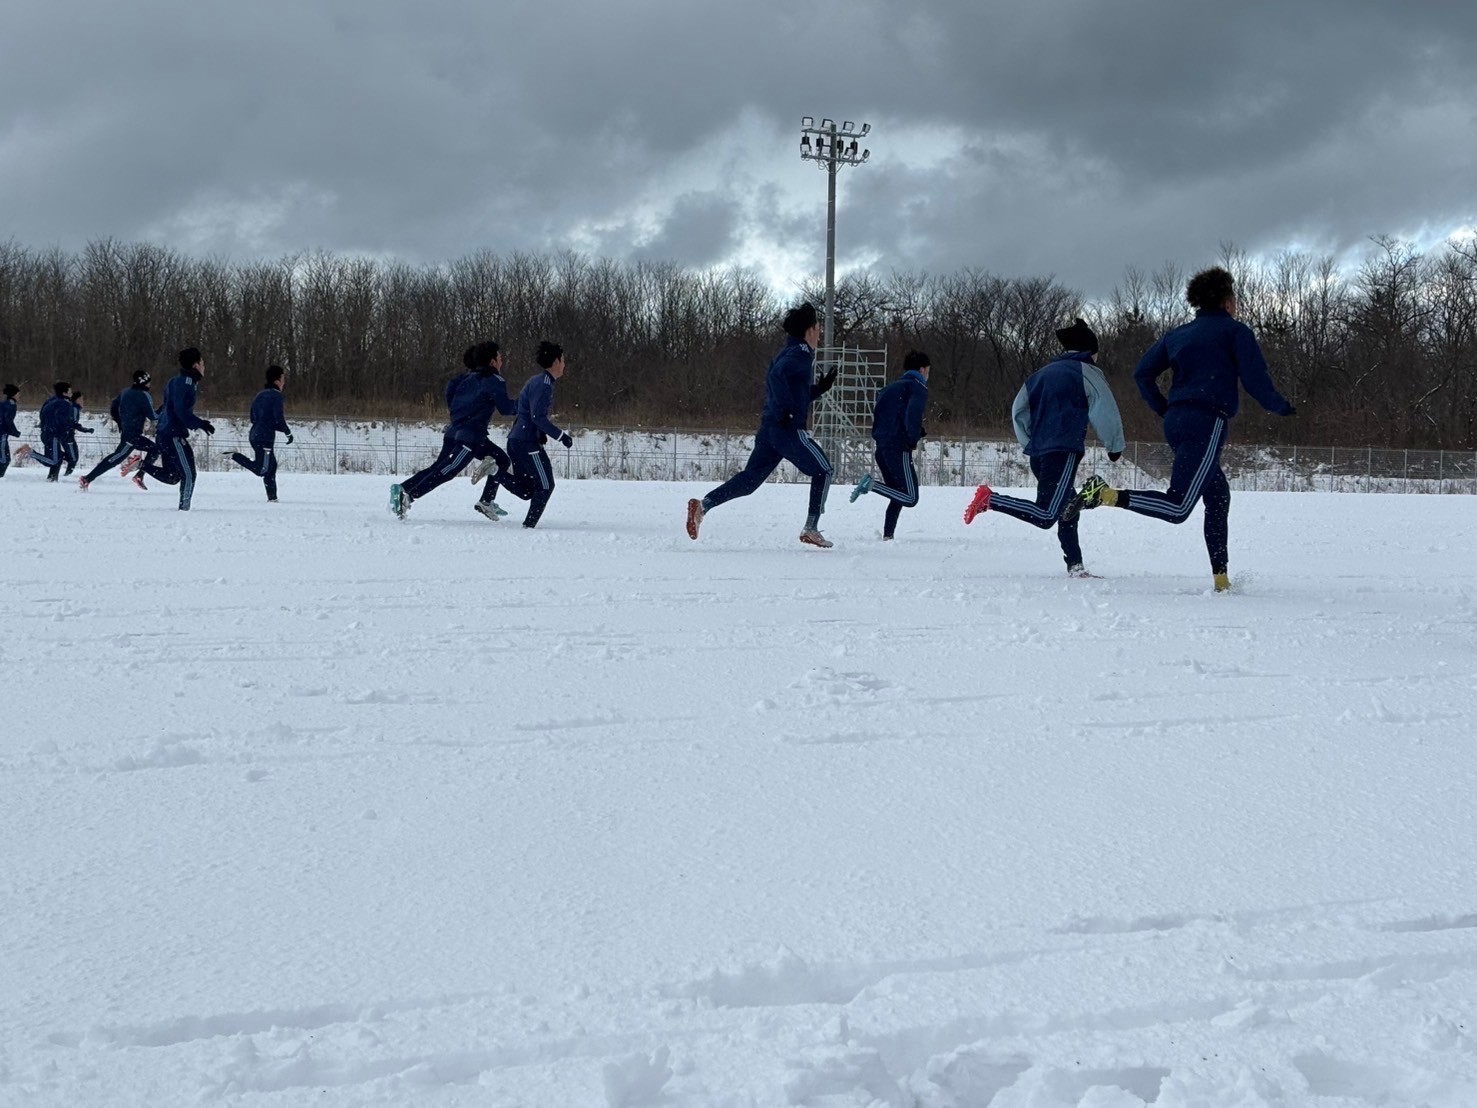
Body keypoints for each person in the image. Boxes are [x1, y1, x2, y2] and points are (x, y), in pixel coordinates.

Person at [1068, 267, 1295, 592]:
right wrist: (1281, 407)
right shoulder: (1234, 332)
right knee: (1178, 507)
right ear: (1226, 301)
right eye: (1234, 298)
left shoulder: (1178, 334)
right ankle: (1105, 495)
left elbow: (1142, 373)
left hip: (1176, 421)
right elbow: (1255, 380)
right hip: (1207, 420)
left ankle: (1221, 580)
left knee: (1217, 495)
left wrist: (1164, 408)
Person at [962, 318, 1125, 577]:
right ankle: (991, 499)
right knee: (1047, 515)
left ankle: (1076, 566)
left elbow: (1018, 410)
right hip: (1063, 450)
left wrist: (1031, 442)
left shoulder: (1039, 375)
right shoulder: (1087, 372)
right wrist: (1114, 445)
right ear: (1090, 350)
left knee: (1068, 507)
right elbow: (1104, 409)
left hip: (1039, 454)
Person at [685, 301, 838, 547]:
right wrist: (786, 412)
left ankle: (703, 506)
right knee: (825, 471)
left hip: (770, 430)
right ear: (809, 330)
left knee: (749, 481)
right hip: (788, 431)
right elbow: (778, 378)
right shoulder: (799, 354)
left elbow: (789, 391)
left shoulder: (787, 352)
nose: (820, 332)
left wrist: (819, 389)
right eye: (818, 327)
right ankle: (811, 528)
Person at [389, 341, 510, 519]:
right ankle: (408, 496)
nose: (502, 361)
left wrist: (459, 416)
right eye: (500, 358)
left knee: (500, 459)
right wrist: (525, 405)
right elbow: (505, 408)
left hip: (458, 432)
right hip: (469, 437)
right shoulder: (490, 381)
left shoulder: (462, 379)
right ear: (491, 361)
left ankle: (486, 500)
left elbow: (451, 397)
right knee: (448, 470)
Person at [480, 341, 572, 529]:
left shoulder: (536, 381)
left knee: (526, 490)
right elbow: (537, 416)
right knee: (545, 486)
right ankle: (528, 527)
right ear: (555, 362)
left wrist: (539, 433)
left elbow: (527, 412)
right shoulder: (544, 384)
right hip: (526, 443)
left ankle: (495, 470)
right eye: (563, 360)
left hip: (517, 440)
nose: (564, 364)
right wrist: (561, 436)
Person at [849, 350, 931, 540]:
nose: (928, 375)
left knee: (897, 493)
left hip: (882, 447)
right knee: (910, 497)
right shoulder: (917, 387)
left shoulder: (888, 389)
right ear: (922, 370)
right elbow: (912, 415)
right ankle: (871, 485)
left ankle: (888, 535)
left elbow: (884, 416)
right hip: (898, 447)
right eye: (928, 371)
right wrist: (912, 438)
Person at [151, 347, 216, 511]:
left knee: (172, 476)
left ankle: (141, 465)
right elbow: (181, 412)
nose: (204, 366)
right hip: (172, 435)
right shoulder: (186, 383)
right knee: (189, 474)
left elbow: (168, 406)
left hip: (165, 433)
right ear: (196, 365)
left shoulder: (175, 380)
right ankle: (184, 510)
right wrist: (201, 424)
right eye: (202, 363)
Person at [79, 371, 158, 490]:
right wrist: (164, 411)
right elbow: (153, 416)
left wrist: (120, 422)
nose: (150, 384)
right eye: (149, 382)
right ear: (145, 382)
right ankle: (87, 478)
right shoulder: (144, 395)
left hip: (128, 432)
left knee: (154, 449)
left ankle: (139, 475)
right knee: (116, 458)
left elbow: (113, 407)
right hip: (132, 435)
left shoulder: (125, 392)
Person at [227, 365, 292, 501]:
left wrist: (275, 427)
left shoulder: (259, 395)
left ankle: (272, 498)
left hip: (255, 434)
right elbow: (278, 417)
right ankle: (233, 455)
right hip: (265, 438)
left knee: (271, 467)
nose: (284, 382)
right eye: (283, 379)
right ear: (277, 380)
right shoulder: (277, 396)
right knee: (262, 469)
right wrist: (287, 432)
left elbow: (254, 418)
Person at [13, 382, 75, 481]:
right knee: (53, 461)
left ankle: (52, 478)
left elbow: (42, 414)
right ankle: (29, 452)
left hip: (46, 433)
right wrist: (67, 431)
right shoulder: (64, 404)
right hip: (53, 435)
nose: (71, 394)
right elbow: (62, 421)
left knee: (58, 457)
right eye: (70, 392)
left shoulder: (51, 401)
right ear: (64, 393)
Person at [63, 389, 94, 476]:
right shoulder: (74, 409)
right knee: (73, 459)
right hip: (67, 436)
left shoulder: (73, 408)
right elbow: (73, 424)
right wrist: (86, 430)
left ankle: (65, 473)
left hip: (67, 435)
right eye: (82, 399)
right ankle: (66, 476)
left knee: (73, 457)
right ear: (77, 400)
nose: (83, 401)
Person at [0, 383, 19, 478]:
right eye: (18, 394)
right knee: (4, 459)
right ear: (14, 394)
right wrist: (15, 432)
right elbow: (8, 420)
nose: (19, 396)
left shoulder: (4, 403)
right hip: (2, 433)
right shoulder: (11, 404)